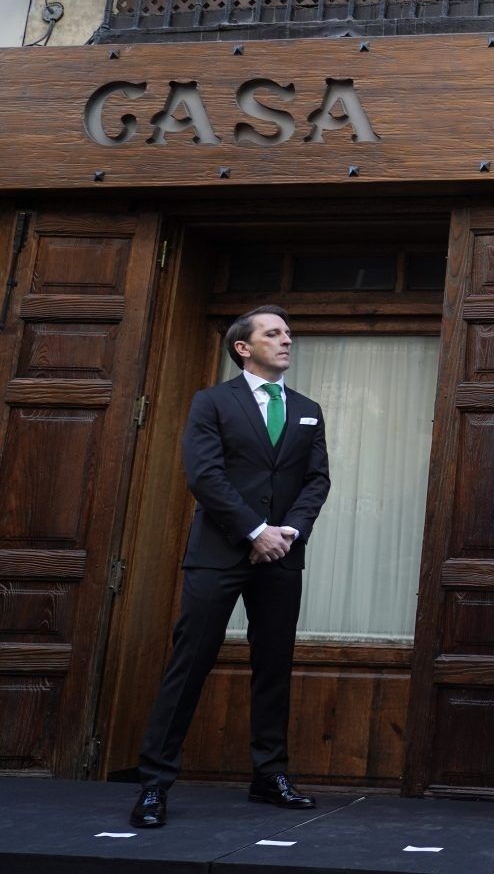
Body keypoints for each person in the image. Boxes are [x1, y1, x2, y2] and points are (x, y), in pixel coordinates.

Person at [131, 305, 331, 829]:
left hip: (283, 555)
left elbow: (317, 480)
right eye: (273, 333)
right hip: (220, 553)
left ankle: (270, 776)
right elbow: (204, 475)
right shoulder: (212, 402)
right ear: (243, 347)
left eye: (289, 332)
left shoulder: (308, 408)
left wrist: (290, 531)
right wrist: (254, 531)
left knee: (273, 667)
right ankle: (155, 782)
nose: (287, 339)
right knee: (190, 662)